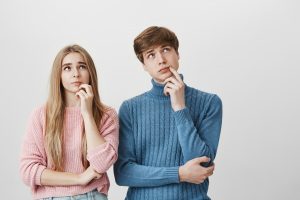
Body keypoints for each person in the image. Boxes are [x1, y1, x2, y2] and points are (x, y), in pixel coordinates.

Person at [114, 26, 222, 200]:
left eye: (166, 49)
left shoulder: (209, 103)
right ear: (144, 65)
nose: (161, 60)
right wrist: (180, 173)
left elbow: (201, 164)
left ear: (177, 54)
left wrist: (180, 108)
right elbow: (123, 173)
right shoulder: (130, 108)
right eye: (151, 55)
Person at [20, 45, 119, 200]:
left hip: (92, 196)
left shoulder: (107, 115)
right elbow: (28, 170)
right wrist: (79, 178)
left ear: (90, 72)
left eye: (82, 66)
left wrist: (86, 114)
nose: (76, 74)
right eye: (67, 68)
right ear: (58, 75)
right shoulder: (40, 115)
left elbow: (102, 164)